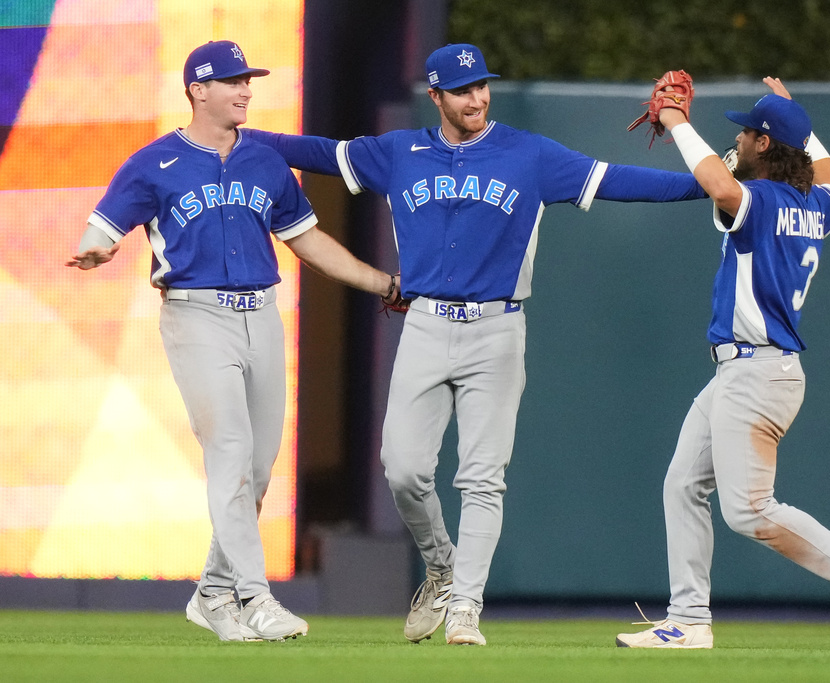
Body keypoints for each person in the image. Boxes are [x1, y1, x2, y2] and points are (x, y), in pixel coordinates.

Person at [246, 43, 707, 645]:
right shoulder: (399, 152)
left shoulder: (529, 153)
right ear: (435, 96)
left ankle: (466, 606)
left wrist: (712, 185)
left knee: (482, 477)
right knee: (404, 469)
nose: (477, 97)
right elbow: (320, 155)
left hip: (498, 327)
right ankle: (441, 565)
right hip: (427, 323)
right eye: (462, 90)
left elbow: (619, 180)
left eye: (482, 86)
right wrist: (241, 134)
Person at [66, 40, 402, 642]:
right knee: (229, 456)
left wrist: (381, 282)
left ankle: (212, 594)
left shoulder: (266, 162)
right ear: (197, 90)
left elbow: (308, 242)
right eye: (232, 81)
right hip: (196, 319)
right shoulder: (154, 163)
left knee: (256, 466)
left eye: (248, 80)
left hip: (262, 316)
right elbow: (103, 226)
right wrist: (98, 247)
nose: (245, 90)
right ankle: (256, 598)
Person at [615, 75, 830, 651]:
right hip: (745, 371)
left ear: (765, 145)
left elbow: (721, 187)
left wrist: (675, 121)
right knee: (682, 485)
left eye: (748, 131)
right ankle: (690, 620)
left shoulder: (765, 199)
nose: (740, 139)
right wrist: (801, 125)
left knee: (747, 511)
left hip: (758, 372)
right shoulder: (815, 206)